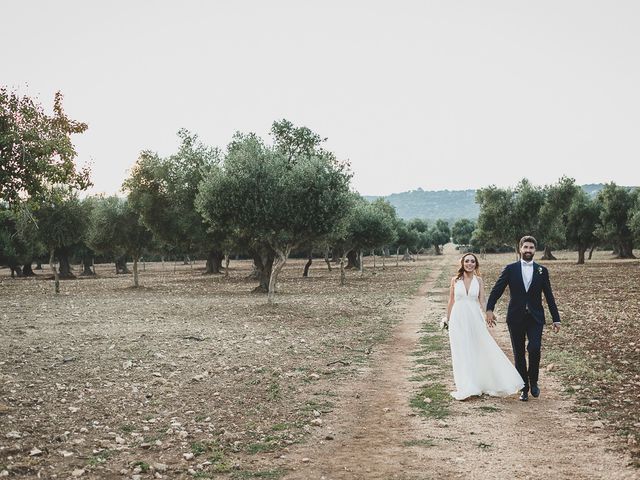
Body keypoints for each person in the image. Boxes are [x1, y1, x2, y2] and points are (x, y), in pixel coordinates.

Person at [486, 235, 561, 402]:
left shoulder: (542, 271)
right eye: (525, 247)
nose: (528, 250)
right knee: (518, 353)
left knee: (534, 348)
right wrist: (489, 308)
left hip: (536, 317)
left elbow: (549, 296)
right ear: (520, 249)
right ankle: (524, 387)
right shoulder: (510, 269)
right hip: (515, 317)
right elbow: (496, 290)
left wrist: (556, 318)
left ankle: (533, 381)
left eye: (531, 248)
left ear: (535, 250)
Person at [446, 253, 524, 400]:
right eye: (467, 261)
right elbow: (451, 301)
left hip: (474, 318)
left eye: (472, 261)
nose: (470, 264)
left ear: (476, 264)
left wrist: (488, 312)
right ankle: (466, 385)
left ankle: (482, 382)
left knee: (478, 348)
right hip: (458, 319)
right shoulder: (455, 280)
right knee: (461, 351)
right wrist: (447, 320)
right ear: (462, 263)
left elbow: (482, 300)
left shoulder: (479, 280)